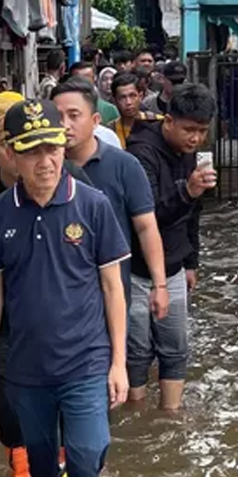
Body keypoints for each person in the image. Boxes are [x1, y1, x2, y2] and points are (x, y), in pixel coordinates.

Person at [0, 98, 131, 477]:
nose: (46, 161)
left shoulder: (93, 206)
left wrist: (119, 361)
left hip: (84, 362)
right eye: (33, 151)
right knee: (41, 466)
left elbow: (112, 287)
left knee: (85, 457)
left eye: (54, 148)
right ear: (12, 156)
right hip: (24, 370)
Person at [0, 92, 94, 477]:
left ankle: (71, 475)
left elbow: (100, 269)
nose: (33, 158)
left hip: (65, 322)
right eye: (16, 146)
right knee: (12, 405)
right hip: (8, 321)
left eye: (43, 147)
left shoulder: (74, 184)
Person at [124, 84, 217, 410]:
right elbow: (146, 216)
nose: (195, 139)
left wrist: (192, 261)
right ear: (169, 121)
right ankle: (136, 413)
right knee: (136, 350)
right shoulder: (141, 154)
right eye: (189, 130)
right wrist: (187, 191)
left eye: (202, 131)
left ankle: (170, 417)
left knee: (175, 348)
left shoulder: (190, 154)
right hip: (137, 269)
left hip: (175, 266)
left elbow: (194, 215)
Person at [52, 77, 169, 319]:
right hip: (58, 296)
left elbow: (146, 227)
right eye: (58, 117)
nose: (65, 125)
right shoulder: (45, 170)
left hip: (110, 293)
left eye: (74, 115)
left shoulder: (124, 165)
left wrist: (159, 285)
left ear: (95, 120)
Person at [108, 72, 162, 149]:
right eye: (122, 97)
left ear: (140, 96)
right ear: (114, 100)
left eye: (132, 96)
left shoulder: (158, 122)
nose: (128, 102)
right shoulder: (110, 130)